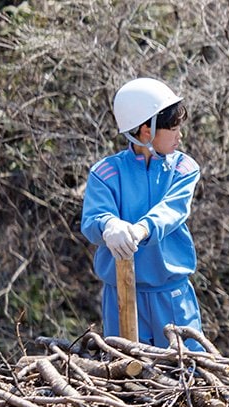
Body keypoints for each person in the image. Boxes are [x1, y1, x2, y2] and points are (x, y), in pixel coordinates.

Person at [81, 77, 202, 349]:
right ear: (146, 130)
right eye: (173, 128)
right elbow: (93, 218)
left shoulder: (183, 167)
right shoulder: (105, 173)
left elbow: (172, 209)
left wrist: (141, 229)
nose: (179, 135)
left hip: (172, 295)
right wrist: (108, 225)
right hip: (121, 296)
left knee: (187, 376)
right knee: (128, 378)